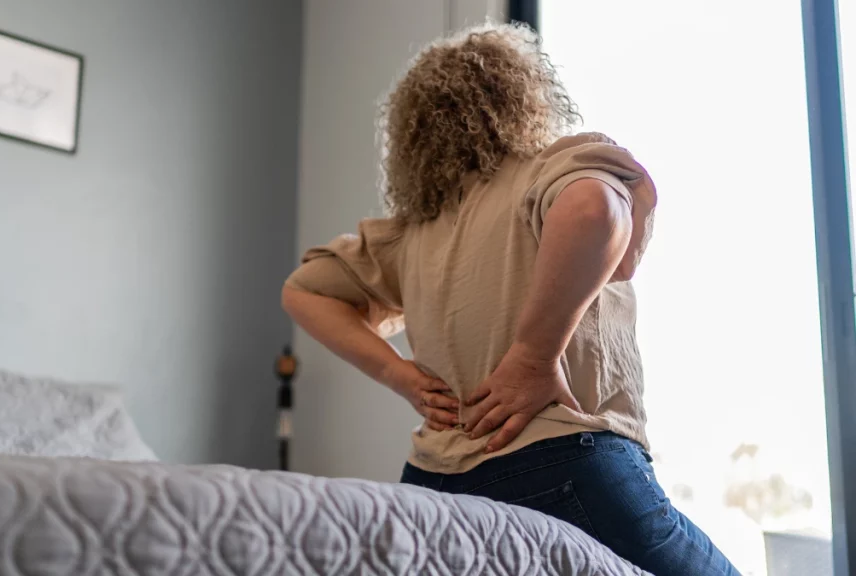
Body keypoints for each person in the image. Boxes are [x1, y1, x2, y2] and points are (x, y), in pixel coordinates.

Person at [282, 21, 740, 576]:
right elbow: (596, 209)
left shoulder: (413, 231)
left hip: (436, 483)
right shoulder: (550, 170)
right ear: (524, 94)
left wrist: (398, 375)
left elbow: (304, 290)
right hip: (559, 455)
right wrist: (532, 356)